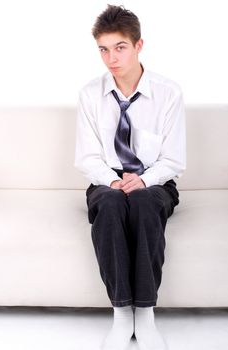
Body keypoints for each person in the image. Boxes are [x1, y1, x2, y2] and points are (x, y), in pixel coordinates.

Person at [75, 4, 186, 350]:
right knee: (109, 205)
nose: (111, 58)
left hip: (154, 183)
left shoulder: (168, 93)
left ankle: (146, 313)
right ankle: (123, 313)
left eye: (120, 47)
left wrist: (144, 180)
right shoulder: (90, 94)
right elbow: (88, 157)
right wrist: (112, 181)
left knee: (141, 200)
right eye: (103, 49)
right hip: (106, 182)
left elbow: (173, 160)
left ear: (138, 46)